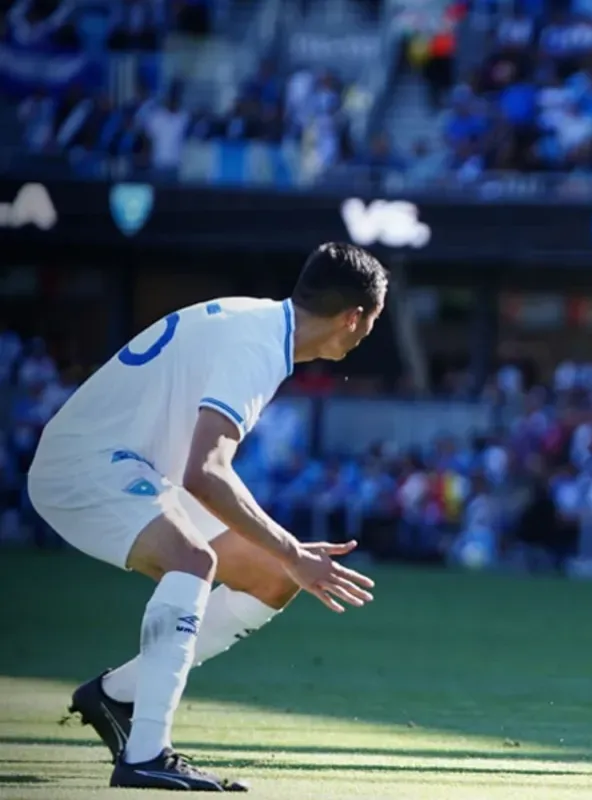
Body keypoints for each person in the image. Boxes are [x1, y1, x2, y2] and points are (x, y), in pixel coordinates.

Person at [28, 242, 389, 791]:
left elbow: (199, 471)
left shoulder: (261, 324)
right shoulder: (259, 346)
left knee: (270, 574)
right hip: (84, 465)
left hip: (133, 463)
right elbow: (205, 472)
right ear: (354, 317)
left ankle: (117, 696)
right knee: (194, 561)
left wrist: (285, 557)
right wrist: (294, 550)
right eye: (372, 323)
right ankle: (147, 753)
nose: (368, 336)